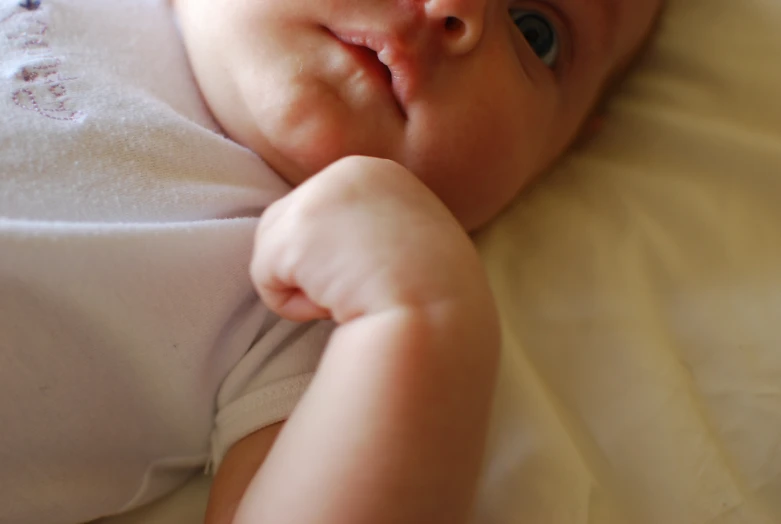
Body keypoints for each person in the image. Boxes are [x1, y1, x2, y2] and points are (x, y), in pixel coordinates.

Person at [0, 0, 662, 522]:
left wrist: (416, 318)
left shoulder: (302, 317)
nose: (456, 7)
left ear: (554, 158)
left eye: (534, 29)